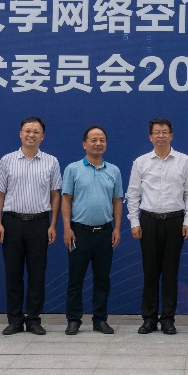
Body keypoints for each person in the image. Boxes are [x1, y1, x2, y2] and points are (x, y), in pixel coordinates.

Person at [126, 118, 188, 336]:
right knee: (150, 272)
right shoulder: (141, 162)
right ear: (150, 137)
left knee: (171, 272)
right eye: (157, 132)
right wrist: (134, 222)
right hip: (149, 221)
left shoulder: (184, 161)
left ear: (171, 135)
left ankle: (168, 319)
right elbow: (133, 194)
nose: (161, 136)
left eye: (165, 132)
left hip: (175, 221)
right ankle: (149, 318)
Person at [0, 116, 62, 335]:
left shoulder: (51, 162)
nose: (31, 135)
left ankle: (33, 319)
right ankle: (14, 319)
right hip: (11, 222)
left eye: (36, 132)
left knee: (37, 273)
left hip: (39, 223)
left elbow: (55, 195)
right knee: (13, 273)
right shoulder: (7, 160)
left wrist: (53, 224)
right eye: (27, 131)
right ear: (20, 134)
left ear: (43, 136)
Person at [61, 126, 123, 335]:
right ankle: (73, 320)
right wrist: (67, 228)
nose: (98, 143)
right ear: (84, 144)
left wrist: (117, 228)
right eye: (94, 140)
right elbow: (66, 199)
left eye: (102, 140)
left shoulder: (113, 171)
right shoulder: (73, 169)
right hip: (79, 232)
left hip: (104, 232)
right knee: (75, 279)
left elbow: (117, 200)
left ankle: (100, 319)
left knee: (102, 279)